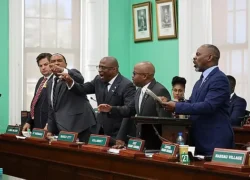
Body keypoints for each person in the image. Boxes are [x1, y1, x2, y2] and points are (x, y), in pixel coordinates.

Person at [162, 44, 234, 156]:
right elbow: (192, 103)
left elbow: (208, 106)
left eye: (198, 54)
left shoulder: (219, 78)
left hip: (214, 140)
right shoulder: (200, 81)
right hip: (199, 140)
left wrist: (177, 107)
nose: (194, 58)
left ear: (209, 57)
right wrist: (170, 102)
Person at [99, 61, 172, 150]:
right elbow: (130, 110)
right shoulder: (138, 91)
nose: (132, 76)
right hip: (139, 141)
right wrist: (111, 109)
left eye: (134, 73)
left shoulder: (159, 90)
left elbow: (165, 122)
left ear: (144, 76)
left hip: (154, 143)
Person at [70, 56, 136, 145]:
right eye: (99, 67)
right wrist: (70, 82)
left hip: (117, 134)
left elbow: (129, 110)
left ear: (114, 69)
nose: (100, 70)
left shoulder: (126, 85)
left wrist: (111, 109)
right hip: (99, 132)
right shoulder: (98, 80)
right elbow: (82, 89)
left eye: (103, 68)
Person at [47, 53, 97, 143]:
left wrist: (64, 70)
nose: (56, 63)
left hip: (82, 125)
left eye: (59, 61)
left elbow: (80, 79)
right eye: (53, 61)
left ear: (65, 64)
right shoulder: (50, 82)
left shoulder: (72, 73)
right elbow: (52, 108)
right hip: (63, 127)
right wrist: (50, 129)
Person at [23, 53, 52, 131]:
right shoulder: (40, 80)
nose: (43, 68)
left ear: (52, 64)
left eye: (46, 64)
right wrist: (28, 121)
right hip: (36, 124)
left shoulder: (56, 81)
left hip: (48, 126)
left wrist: (49, 124)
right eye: (40, 66)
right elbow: (35, 102)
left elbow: (54, 107)